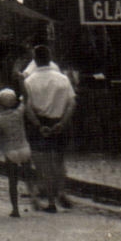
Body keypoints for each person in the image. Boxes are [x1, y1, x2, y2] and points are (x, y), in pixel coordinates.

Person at [22, 44, 76, 211]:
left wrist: (38, 125)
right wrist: (62, 122)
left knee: (43, 162)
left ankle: (51, 201)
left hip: (40, 122)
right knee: (58, 159)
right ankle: (61, 191)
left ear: (35, 60)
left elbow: (27, 107)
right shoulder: (63, 79)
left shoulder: (29, 81)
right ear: (50, 58)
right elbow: (72, 103)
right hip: (60, 120)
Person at [0, 88, 33, 217]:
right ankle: (35, 200)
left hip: (10, 150)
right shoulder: (19, 113)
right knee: (28, 176)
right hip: (24, 147)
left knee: (12, 181)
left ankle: (15, 209)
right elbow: (26, 98)